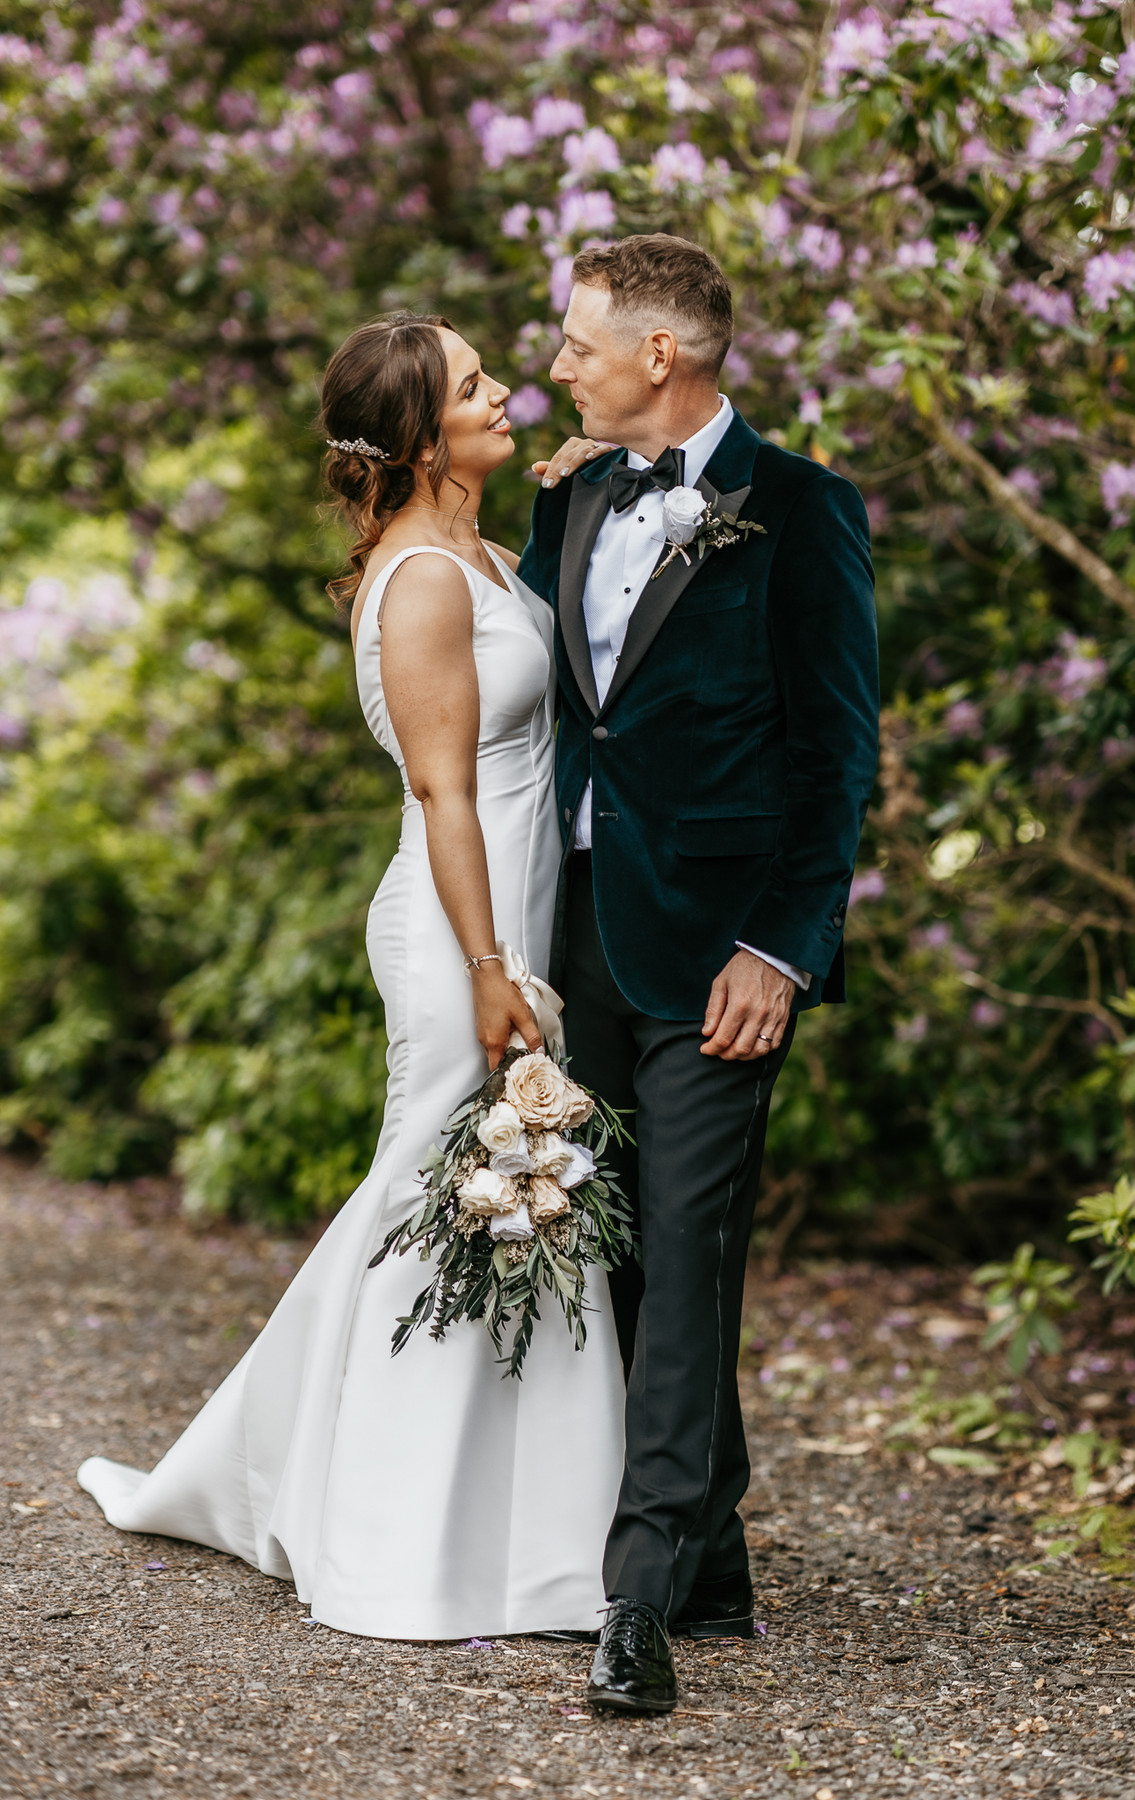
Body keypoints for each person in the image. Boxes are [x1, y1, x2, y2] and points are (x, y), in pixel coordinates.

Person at [77, 313, 627, 1642]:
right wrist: (493, 970)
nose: (506, 393)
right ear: (418, 435)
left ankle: (524, 1536)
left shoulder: (485, 553)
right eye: (476, 384)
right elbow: (443, 789)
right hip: (462, 930)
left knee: (499, 1198)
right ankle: (388, 1539)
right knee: (451, 1195)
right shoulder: (425, 580)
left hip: (523, 911)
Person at [520, 234, 879, 1714]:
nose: (559, 364)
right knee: (620, 1255)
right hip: (578, 936)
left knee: (692, 1251)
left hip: (721, 957)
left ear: (658, 356)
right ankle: (713, 1547)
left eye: (577, 341)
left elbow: (836, 752)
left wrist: (780, 950)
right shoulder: (573, 496)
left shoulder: (800, 513)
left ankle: (640, 1599)